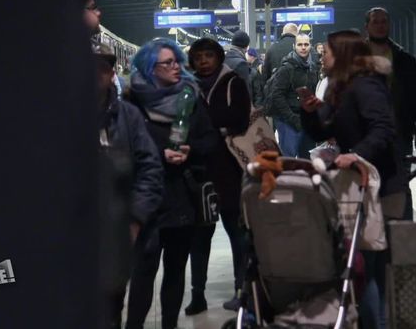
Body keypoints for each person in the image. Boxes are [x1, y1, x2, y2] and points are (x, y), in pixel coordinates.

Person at [300, 29, 407, 329]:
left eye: (327, 51)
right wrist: (310, 112)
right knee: (361, 268)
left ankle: (378, 323)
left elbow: (383, 129)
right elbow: (324, 130)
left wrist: (355, 154)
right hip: (358, 187)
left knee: (370, 269)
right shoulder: (342, 87)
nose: (322, 55)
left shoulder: (366, 86)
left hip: (381, 187)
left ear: (343, 54)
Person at [125, 38, 219, 329]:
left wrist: (192, 150)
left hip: (182, 197)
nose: (177, 67)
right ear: (150, 69)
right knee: (143, 271)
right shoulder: (132, 103)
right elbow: (122, 146)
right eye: (168, 63)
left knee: (176, 270)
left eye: (177, 61)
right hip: (147, 201)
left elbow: (210, 139)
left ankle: (169, 325)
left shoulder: (190, 97)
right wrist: (158, 153)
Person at [94, 43, 165, 329]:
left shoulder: (128, 116)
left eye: (102, 69)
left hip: (119, 230)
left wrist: (135, 219)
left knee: (112, 306)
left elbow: (150, 168)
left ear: (112, 73)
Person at [184, 38, 251, 314]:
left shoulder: (233, 82)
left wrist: (208, 130)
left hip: (230, 171)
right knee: (200, 237)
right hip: (200, 172)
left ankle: (242, 291)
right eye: (198, 56)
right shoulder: (187, 87)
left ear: (219, 57)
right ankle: (197, 295)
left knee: (237, 234)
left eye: (208, 55)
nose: (203, 61)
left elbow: (240, 119)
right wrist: (216, 129)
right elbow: (183, 122)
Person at [364, 7, 416, 221]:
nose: (381, 25)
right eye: (376, 22)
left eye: (384, 21)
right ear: (368, 26)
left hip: (398, 133)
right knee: (367, 184)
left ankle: (402, 237)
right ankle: (372, 235)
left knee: (400, 185)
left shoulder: (404, 59)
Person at [265, 33, 319, 158]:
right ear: (294, 46)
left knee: (307, 158)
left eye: (306, 44)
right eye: (300, 44)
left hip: (306, 120)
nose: (303, 47)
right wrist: (292, 118)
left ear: (310, 46)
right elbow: (277, 95)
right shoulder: (286, 68)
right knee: (288, 159)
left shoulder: (312, 67)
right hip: (287, 120)